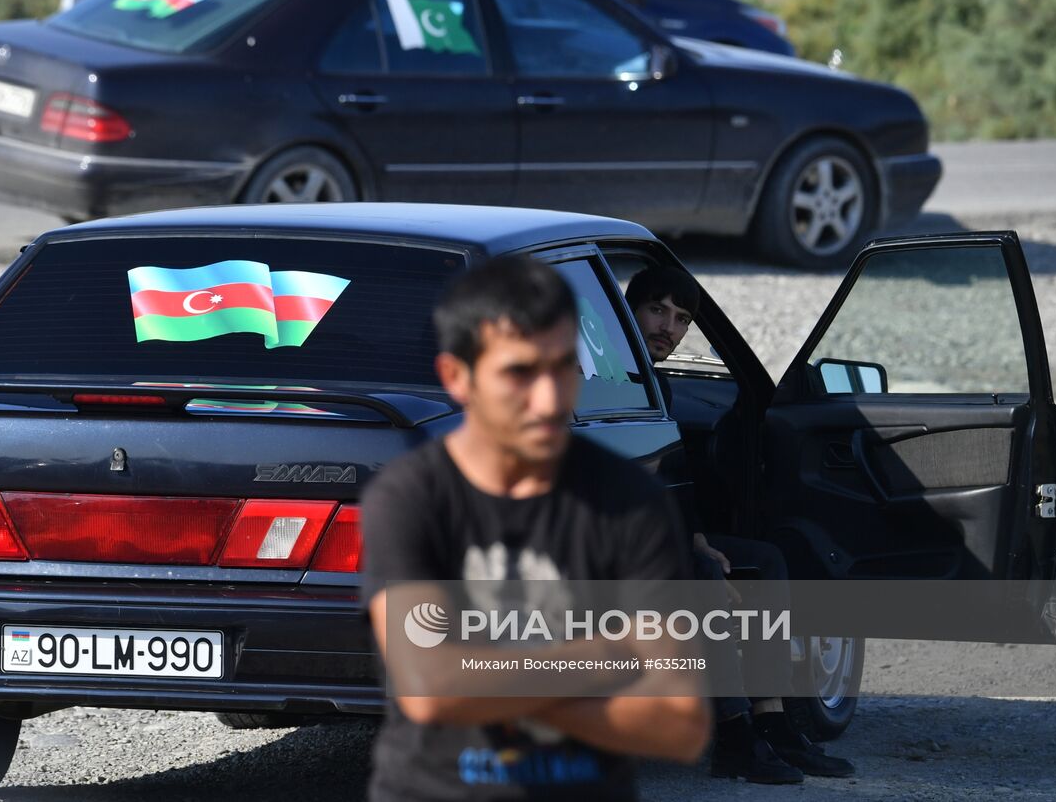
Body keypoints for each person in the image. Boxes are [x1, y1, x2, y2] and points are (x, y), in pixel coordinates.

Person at [360, 256, 711, 802]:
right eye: (520, 372)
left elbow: (677, 725)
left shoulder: (631, 503)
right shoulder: (411, 498)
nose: (548, 399)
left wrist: (478, 674)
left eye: (563, 367)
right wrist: (605, 658)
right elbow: (429, 690)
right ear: (457, 376)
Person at [624, 265, 854, 783]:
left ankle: (770, 721)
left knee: (765, 559)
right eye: (656, 310)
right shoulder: (608, 385)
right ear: (627, 311)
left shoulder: (653, 383)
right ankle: (734, 737)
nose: (668, 327)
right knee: (706, 579)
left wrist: (699, 536)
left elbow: (672, 481)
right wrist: (693, 554)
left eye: (681, 319)